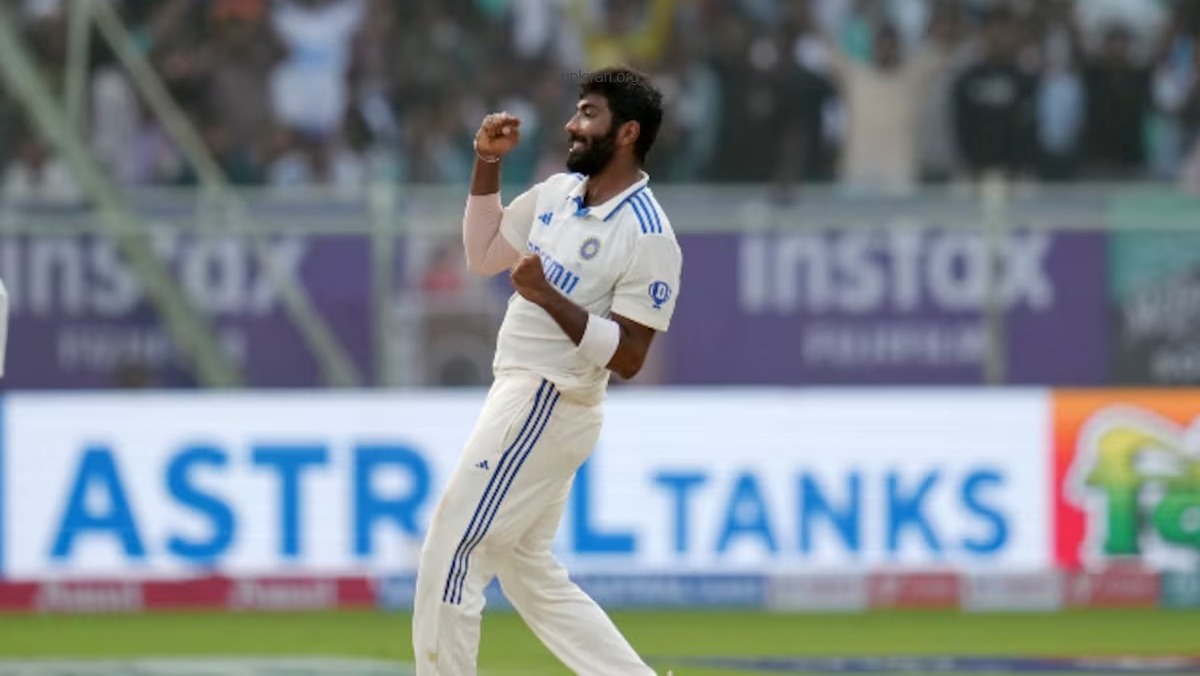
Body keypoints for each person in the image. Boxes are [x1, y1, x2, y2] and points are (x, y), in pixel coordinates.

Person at [412, 66, 681, 676]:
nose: (571, 124)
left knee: (451, 554)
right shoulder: (558, 193)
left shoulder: (648, 234)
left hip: (550, 398)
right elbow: (484, 254)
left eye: (588, 114)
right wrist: (487, 163)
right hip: (523, 391)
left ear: (627, 132)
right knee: (527, 570)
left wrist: (547, 297)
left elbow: (630, 356)